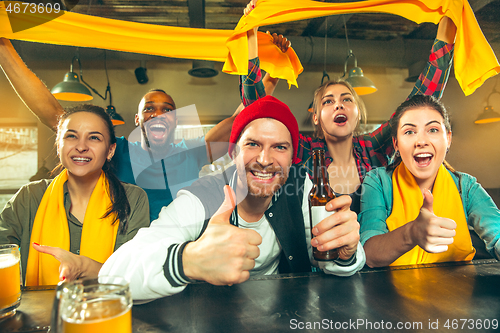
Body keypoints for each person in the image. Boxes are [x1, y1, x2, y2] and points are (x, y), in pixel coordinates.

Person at [99, 95, 365, 301]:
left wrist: (344, 254)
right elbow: (112, 276)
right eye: (252, 144)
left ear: (292, 157)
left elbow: (325, 256)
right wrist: (186, 260)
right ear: (233, 153)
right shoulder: (203, 196)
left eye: (280, 147)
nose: (264, 160)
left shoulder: (301, 184)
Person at [0, 36, 289, 221]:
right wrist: (4, 48)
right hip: (125, 250)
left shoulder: (191, 154)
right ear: (138, 120)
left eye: (167, 109)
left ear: (176, 120)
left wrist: (273, 72)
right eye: (149, 108)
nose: (158, 114)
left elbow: (243, 117)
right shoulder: (117, 149)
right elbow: (54, 115)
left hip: (183, 250)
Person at [240, 0, 457, 214]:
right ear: (315, 117)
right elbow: (258, 112)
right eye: (328, 101)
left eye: (346, 99)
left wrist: (449, 24)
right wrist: (251, 35)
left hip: (375, 248)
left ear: (357, 113)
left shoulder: (373, 149)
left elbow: (420, 101)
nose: (338, 105)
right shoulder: (303, 151)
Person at [0, 105, 150, 285]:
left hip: (109, 310)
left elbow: (134, 274)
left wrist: (83, 267)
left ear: (110, 151)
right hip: (40, 311)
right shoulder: (29, 197)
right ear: (58, 145)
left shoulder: (133, 199)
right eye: (71, 136)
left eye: (94, 138)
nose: (81, 147)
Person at [359, 95, 500, 267]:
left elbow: (497, 234)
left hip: (459, 291)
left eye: (432, 130)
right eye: (409, 132)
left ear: (448, 138)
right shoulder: (378, 182)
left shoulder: (466, 186)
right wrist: (411, 234)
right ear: (396, 144)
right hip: (391, 292)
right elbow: (369, 253)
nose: (421, 141)